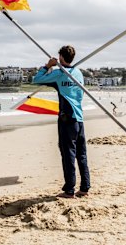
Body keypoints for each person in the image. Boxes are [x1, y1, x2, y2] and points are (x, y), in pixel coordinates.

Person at [33, 45, 90, 198]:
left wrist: (47, 66)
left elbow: (36, 80)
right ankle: (85, 187)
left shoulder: (60, 74)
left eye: (59, 57)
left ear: (61, 58)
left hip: (67, 118)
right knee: (81, 154)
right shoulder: (78, 73)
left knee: (68, 153)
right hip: (79, 118)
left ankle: (69, 190)